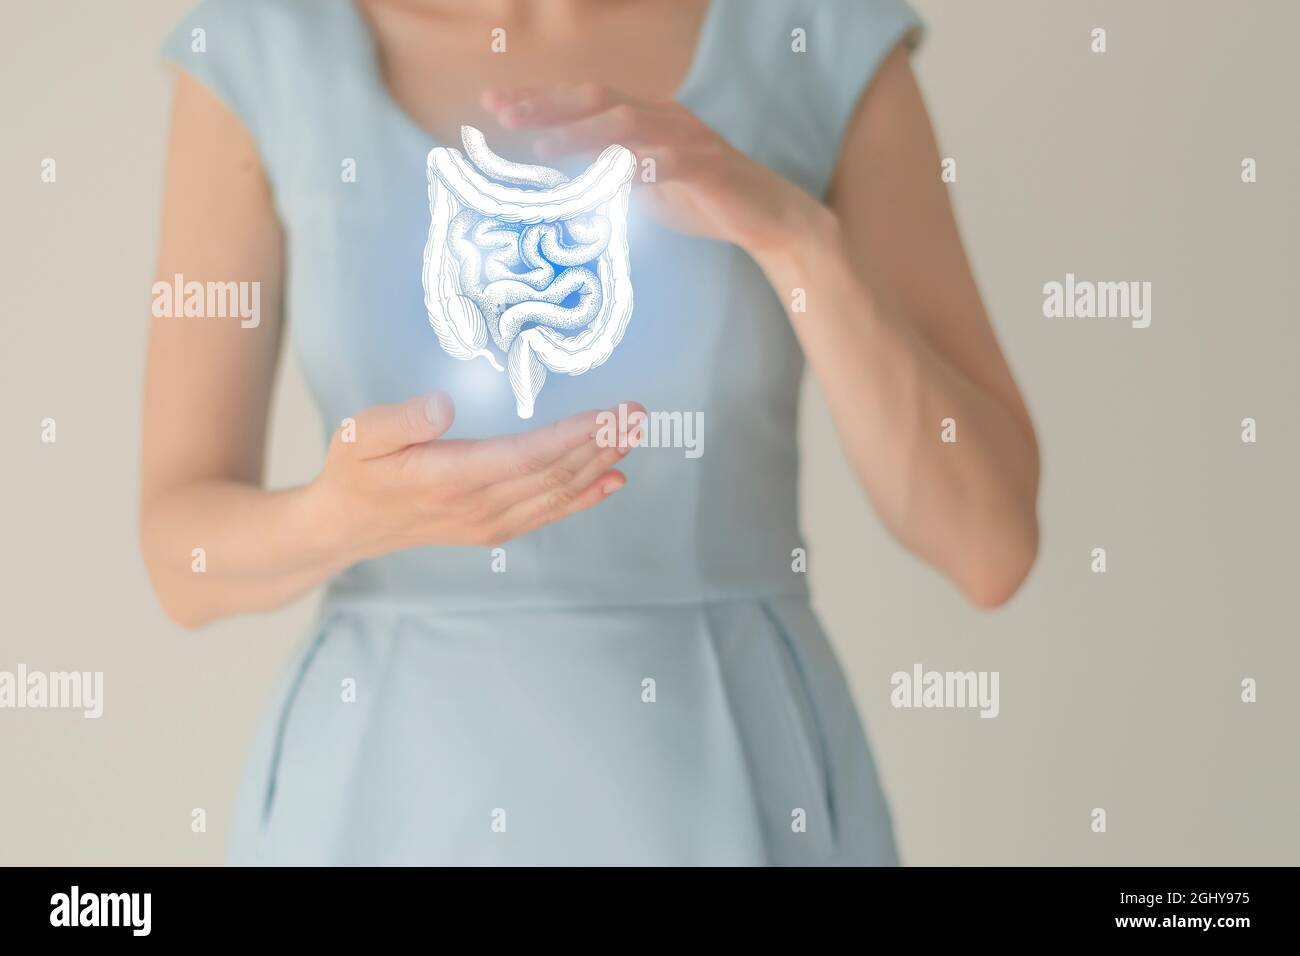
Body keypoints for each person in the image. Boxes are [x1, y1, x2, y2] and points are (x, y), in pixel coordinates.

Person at [141, 0, 1039, 865]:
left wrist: (795, 236)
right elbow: (179, 563)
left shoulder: (817, 33)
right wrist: (345, 519)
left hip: (741, 788)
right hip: (379, 799)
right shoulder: (263, 49)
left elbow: (988, 545)